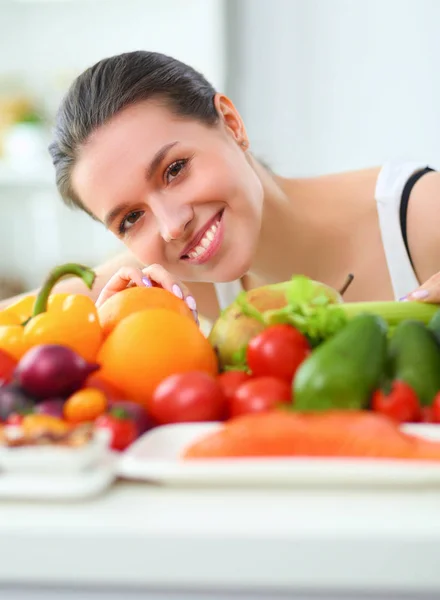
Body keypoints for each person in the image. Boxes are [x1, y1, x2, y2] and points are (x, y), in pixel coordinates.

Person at [6, 50, 440, 325]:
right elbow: (16, 322)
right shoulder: (165, 282)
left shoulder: (421, 214)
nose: (173, 225)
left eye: (174, 169)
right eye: (131, 218)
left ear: (231, 124)